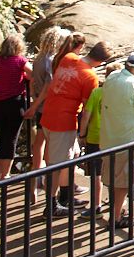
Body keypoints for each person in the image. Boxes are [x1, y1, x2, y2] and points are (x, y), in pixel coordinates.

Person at [25, 32, 103, 214]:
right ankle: (51, 206)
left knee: (71, 155)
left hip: (49, 116)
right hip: (62, 122)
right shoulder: (89, 76)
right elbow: (87, 108)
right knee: (55, 165)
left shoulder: (65, 58)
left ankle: (65, 197)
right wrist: (85, 133)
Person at [100, 50, 134, 232]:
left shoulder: (112, 77)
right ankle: (116, 217)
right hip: (125, 140)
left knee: (113, 178)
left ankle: (118, 210)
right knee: (124, 181)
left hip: (107, 138)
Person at [0, 34, 32, 181]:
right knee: (11, 138)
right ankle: (5, 174)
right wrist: (23, 77)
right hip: (15, 102)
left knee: (2, 137)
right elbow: (33, 74)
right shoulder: (20, 60)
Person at [27, 27, 68, 183]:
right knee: (49, 142)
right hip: (48, 106)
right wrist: (36, 104)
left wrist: (34, 100)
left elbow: (33, 82)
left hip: (40, 105)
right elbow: (48, 86)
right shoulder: (51, 60)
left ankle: (36, 173)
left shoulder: (39, 58)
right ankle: (47, 177)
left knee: (39, 141)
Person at [77, 42, 113, 213]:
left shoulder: (97, 92)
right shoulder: (118, 95)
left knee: (96, 174)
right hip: (112, 137)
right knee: (114, 172)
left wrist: (81, 134)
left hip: (93, 136)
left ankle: (96, 204)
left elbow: (86, 114)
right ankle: (117, 206)